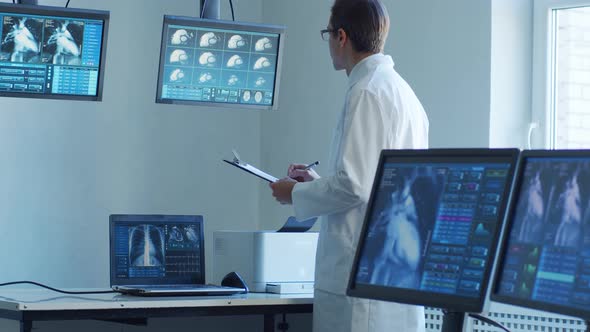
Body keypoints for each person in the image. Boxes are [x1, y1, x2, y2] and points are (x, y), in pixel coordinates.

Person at [269, 0, 429, 331]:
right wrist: (315, 182)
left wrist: (295, 192)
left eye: (327, 34)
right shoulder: (403, 93)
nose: (328, 43)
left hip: (361, 278)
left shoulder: (366, 92)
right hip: (395, 268)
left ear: (341, 36)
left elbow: (355, 186)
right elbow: (372, 182)